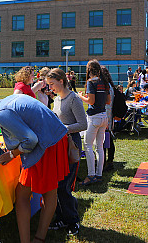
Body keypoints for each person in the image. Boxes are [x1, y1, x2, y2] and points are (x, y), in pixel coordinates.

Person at [0, 93, 70, 243]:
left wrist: (11, 155)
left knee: (23, 194)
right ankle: (38, 237)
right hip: (54, 139)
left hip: (46, 145)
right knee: (49, 191)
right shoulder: (6, 101)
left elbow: (31, 140)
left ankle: (32, 239)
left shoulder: (1, 115)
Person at [45, 68, 87, 236]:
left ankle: (73, 221)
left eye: (52, 84)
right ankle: (62, 217)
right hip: (58, 145)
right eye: (48, 85)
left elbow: (83, 124)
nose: (50, 88)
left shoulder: (74, 99)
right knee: (58, 185)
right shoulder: (56, 99)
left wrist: (64, 129)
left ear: (61, 81)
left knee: (64, 186)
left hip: (71, 146)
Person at [78, 59, 111, 185]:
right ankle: (99, 175)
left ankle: (91, 176)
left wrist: (81, 96)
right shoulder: (105, 82)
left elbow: (91, 101)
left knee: (87, 146)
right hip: (103, 116)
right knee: (99, 148)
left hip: (94, 117)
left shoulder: (91, 82)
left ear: (89, 70)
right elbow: (108, 101)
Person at [101, 66, 115, 171]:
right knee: (107, 140)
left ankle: (107, 162)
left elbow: (107, 104)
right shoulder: (110, 85)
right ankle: (107, 161)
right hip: (108, 117)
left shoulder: (106, 86)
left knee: (106, 141)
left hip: (106, 116)